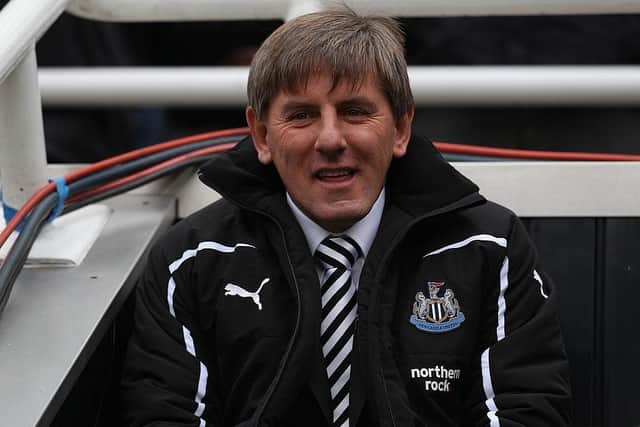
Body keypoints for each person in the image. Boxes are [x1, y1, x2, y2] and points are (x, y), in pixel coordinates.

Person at [121, 9, 572, 426]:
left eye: (355, 112)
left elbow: (524, 411)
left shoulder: (491, 248)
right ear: (261, 135)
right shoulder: (191, 259)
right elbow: (165, 414)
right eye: (301, 115)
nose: (331, 139)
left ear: (400, 129)